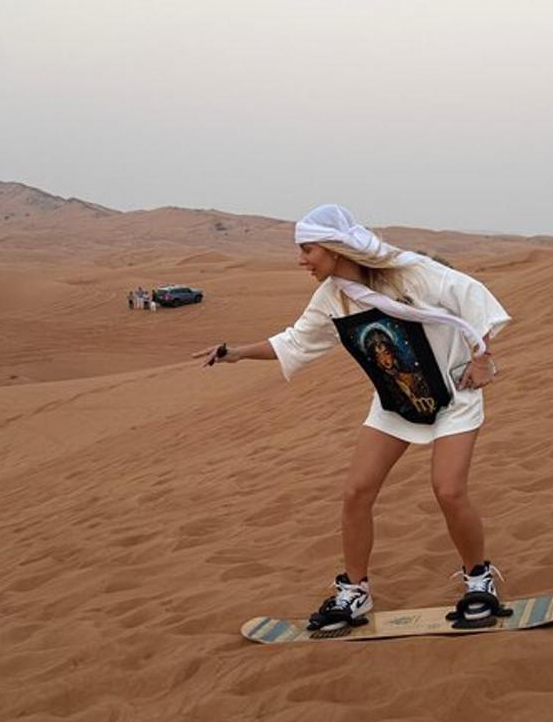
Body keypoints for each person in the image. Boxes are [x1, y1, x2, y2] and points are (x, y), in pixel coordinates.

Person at [194, 204, 510, 629]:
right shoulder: (331, 298)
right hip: (395, 403)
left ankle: (479, 581)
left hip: (454, 395)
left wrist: (482, 357)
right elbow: (294, 341)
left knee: (448, 490)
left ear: (335, 248)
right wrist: (235, 353)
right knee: (356, 493)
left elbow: (471, 297)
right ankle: (355, 592)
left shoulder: (408, 273)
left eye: (308, 250)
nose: (301, 260)